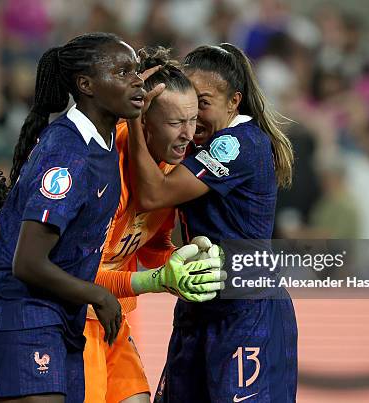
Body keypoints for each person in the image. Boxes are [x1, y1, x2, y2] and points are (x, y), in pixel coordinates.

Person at [0, 32, 144, 403]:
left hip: (57, 314)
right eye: (123, 72)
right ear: (86, 85)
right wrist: (99, 294)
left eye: (137, 71)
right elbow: (27, 263)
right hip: (13, 310)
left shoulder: (103, 143)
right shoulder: (69, 151)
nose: (137, 80)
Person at [128, 43, 298, 402]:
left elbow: (154, 195)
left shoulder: (237, 145)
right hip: (200, 306)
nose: (193, 115)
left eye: (203, 103)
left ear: (233, 101)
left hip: (245, 311)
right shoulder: (199, 140)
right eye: (188, 104)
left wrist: (132, 116)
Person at [83, 47, 226, 403]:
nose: (189, 135)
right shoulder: (104, 171)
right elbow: (76, 274)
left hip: (112, 316)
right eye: (176, 123)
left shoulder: (169, 174)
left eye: (192, 121)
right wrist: (156, 281)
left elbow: (153, 244)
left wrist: (183, 263)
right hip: (70, 316)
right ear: (143, 120)